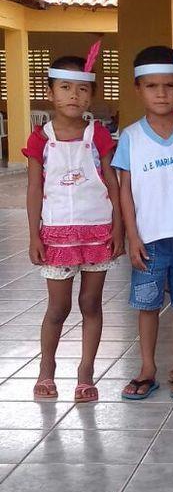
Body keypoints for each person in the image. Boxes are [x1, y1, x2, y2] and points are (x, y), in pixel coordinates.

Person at [24, 50, 123, 402]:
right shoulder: (40, 138)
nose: (73, 96)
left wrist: (119, 229)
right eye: (65, 87)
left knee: (91, 303)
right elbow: (35, 188)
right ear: (50, 92)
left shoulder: (99, 135)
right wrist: (34, 234)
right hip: (56, 233)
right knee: (58, 308)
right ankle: (46, 370)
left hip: (98, 230)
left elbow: (113, 184)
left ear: (91, 96)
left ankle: (86, 372)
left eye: (82, 90)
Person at [113, 45, 173, 400]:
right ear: (138, 89)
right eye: (151, 86)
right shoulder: (130, 137)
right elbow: (125, 192)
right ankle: (147, 367)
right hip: (149, 239)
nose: (161, 93)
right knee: (147, 304)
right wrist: (131, 236)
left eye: (169, 86)